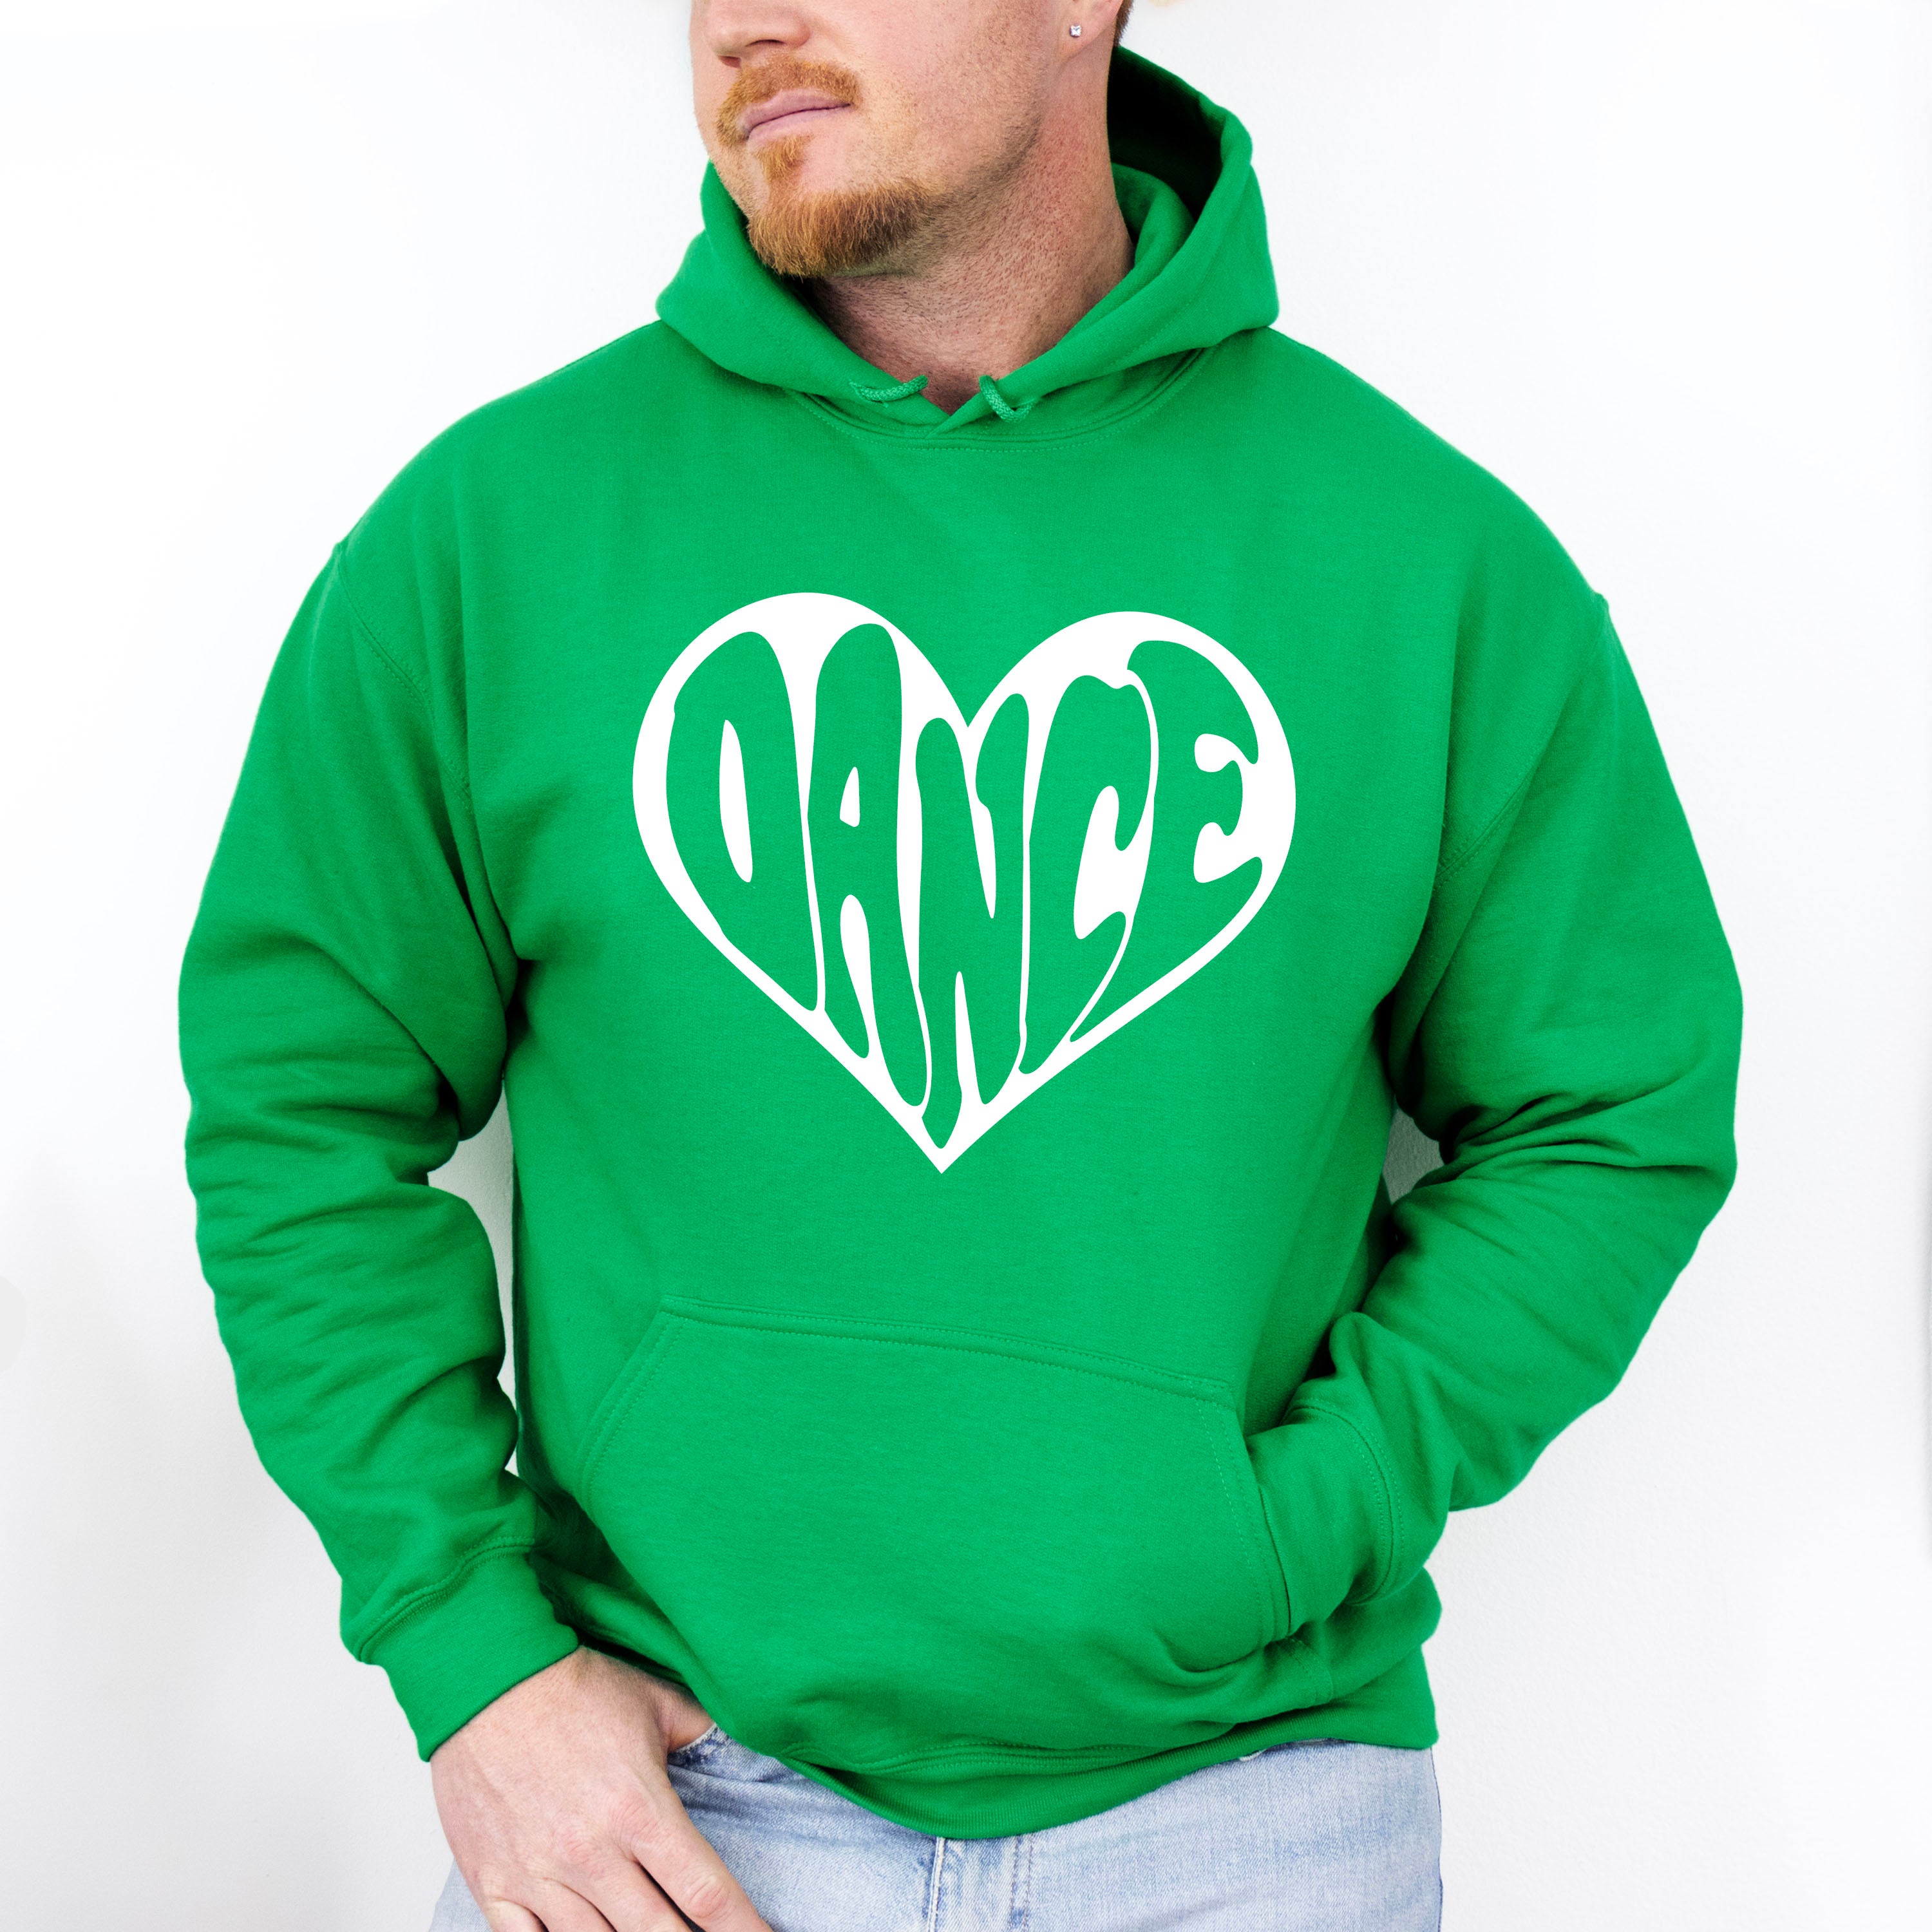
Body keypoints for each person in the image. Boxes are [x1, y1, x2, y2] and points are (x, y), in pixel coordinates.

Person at [179, 2, 1743, 1927]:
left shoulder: (1426, 565)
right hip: (668, 1811)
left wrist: (1293, 1520)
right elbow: (300, 1106)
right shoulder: (494, 538)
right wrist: (470, 1657)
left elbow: (1616, 1108)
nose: (745, 21)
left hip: (1249, 1823)